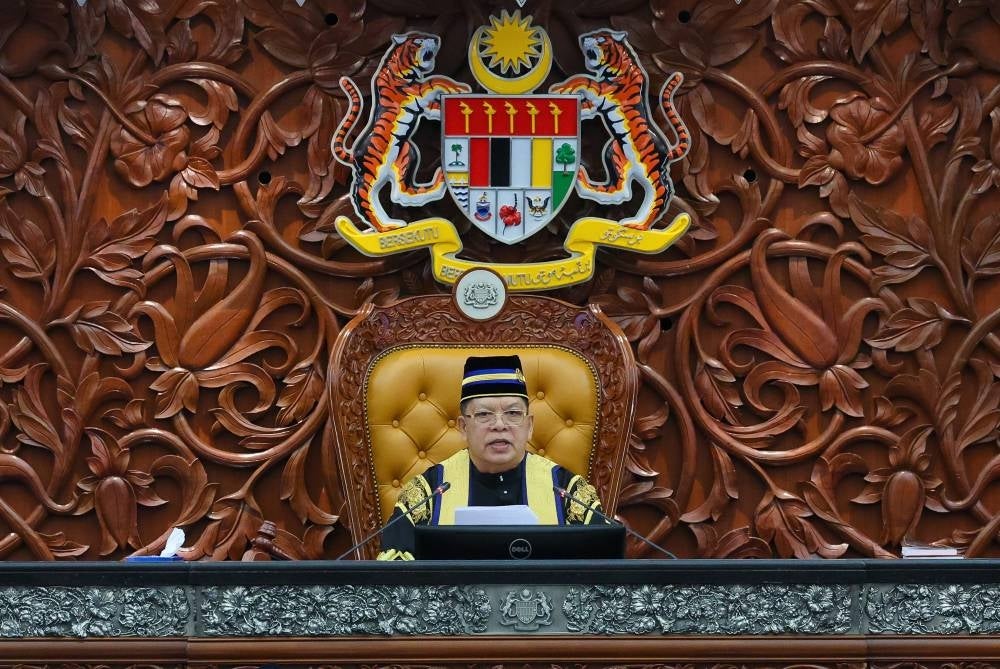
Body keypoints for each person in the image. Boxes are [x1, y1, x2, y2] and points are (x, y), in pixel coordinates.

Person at [376, 354, 604, 560]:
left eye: (513, 413)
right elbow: (394, 576)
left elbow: (605, 568)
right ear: (463, 427)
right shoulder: (428, 492)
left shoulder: (567, 491)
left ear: (530, 426)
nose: (499, 425)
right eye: (484, 414)